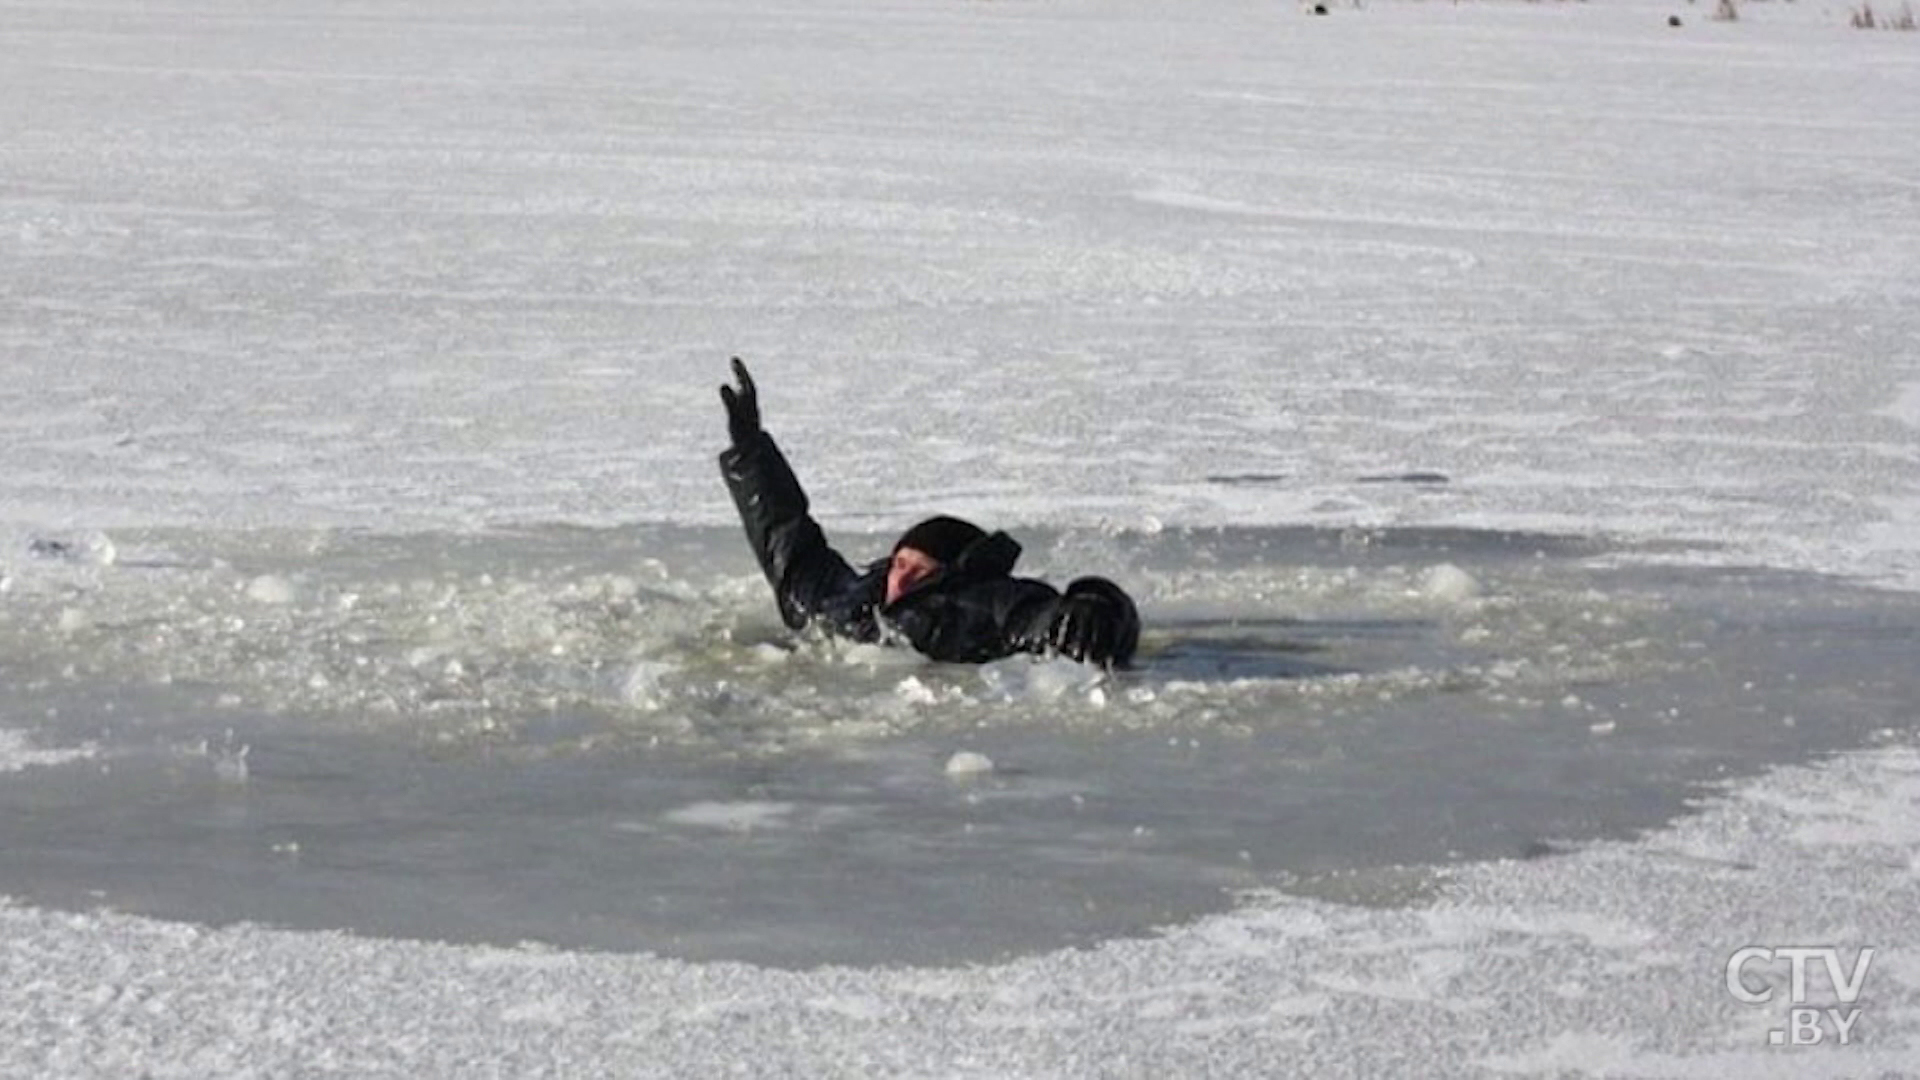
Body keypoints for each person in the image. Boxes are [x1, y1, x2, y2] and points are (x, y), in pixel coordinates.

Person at [717, 358, 1140, 668]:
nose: (902, 577)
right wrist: (750, 452)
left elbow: (1043, 616)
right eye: (901, 563)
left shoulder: (985, 602)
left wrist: (1094, 605)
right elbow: (791, 542)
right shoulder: (849, 599)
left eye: (922, 570)